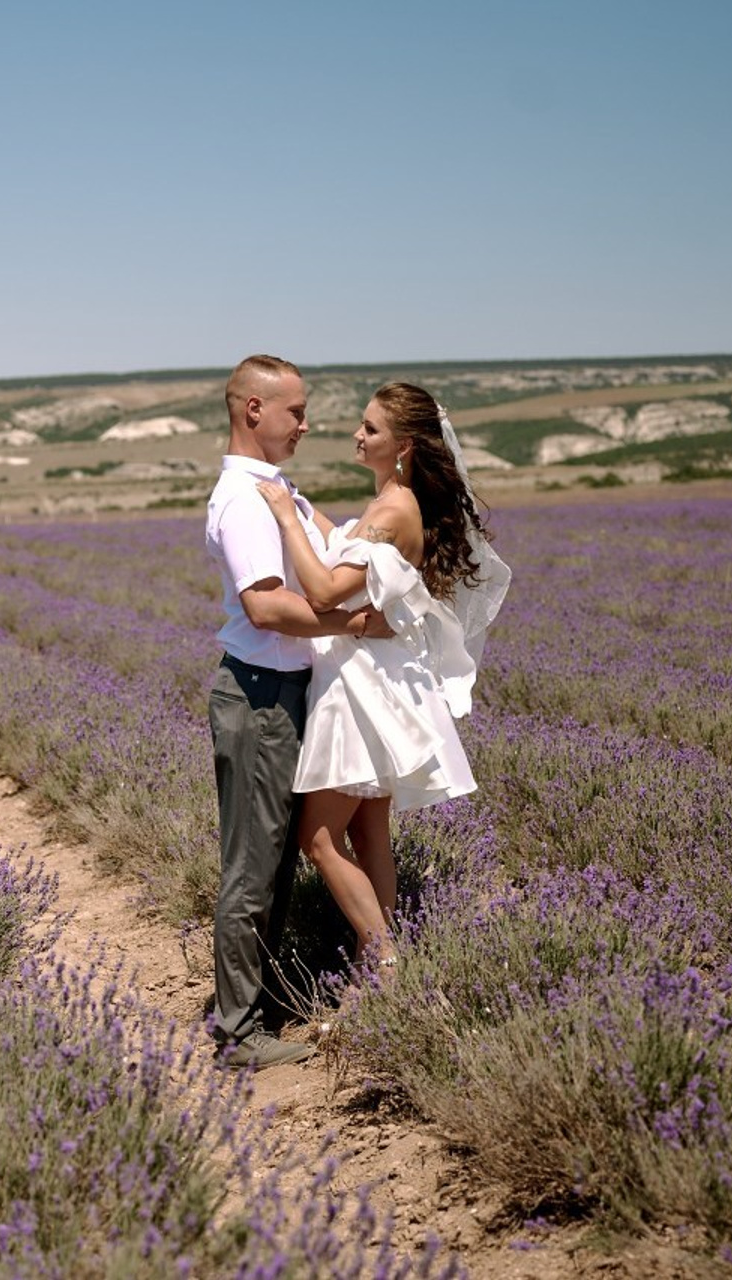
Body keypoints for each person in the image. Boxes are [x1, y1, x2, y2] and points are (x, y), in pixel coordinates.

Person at [256, 381, 510, 972]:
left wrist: (281, 516)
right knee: (370, 831)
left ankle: (384, 961)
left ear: (405, 447)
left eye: (370, 428)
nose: (356, 434)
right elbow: (341, 540)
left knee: (317, 839)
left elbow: (321, 589)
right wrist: (296, 501)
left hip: (364, 688)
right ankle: (387, 953)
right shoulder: (389, 501)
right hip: (378, 678)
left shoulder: (394, 509)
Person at [206, 355, 389, 1070]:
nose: (307, 426)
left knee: (279, 861)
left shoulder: (276, 488)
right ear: (253, 409)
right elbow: (266, 605)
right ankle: (238, 1034)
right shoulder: (245, 499)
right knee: (253, 867)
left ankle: (264, 1004)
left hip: (285, 694)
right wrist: (349, 625)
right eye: (295, 412)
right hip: (258, 697)